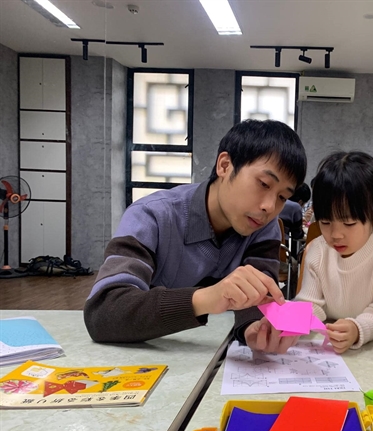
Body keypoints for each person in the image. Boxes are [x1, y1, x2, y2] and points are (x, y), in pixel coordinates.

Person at [84, 119, 307, 354]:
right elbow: (103, 313)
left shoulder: (263, 228)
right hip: (141, 355)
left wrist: (254, 328)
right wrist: (208, 298)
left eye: (282, 197)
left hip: (210, 360)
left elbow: (257, 297)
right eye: (263, 184)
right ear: (224, 165)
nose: (269, 207)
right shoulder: (152, 217)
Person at [295, 151, 373, 353]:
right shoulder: (318, 250)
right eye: (326, 222)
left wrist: (357, 328)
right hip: (326, 350)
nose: (336, 234)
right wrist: (291, 322)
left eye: (349, 223)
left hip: (371, 354)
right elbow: (310, 304)